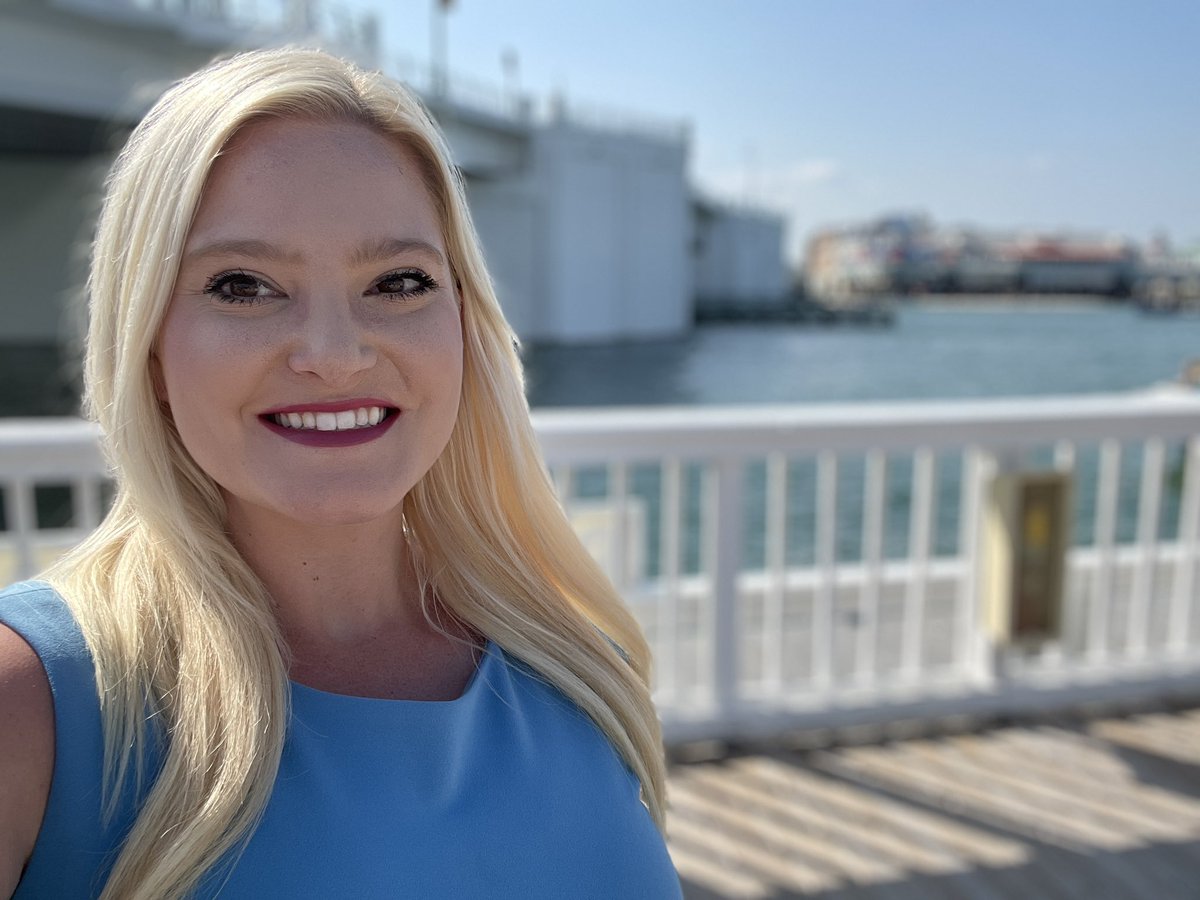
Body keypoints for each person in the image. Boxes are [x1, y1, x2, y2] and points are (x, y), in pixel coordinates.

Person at [0, 48, 680, 898]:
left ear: (465, 323)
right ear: (146, 342)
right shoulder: (35, 707)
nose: (334, 356)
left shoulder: (580, 663)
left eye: (398, 282)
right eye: (243, 286)